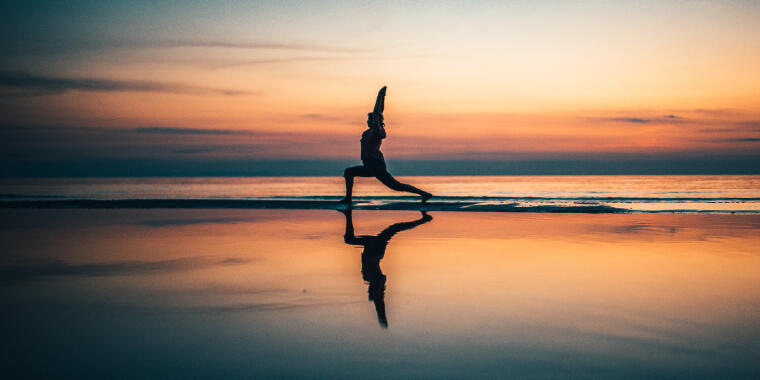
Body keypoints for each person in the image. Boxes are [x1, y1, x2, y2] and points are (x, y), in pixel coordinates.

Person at [341, 208, 432, 328]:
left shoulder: (370, 279)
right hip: (374, 251)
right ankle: (423, 220)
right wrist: (381, 314)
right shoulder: (375, 280)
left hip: (373, 250)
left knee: (393, 229)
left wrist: (380, 311)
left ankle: (348, 214)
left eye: (370, 293)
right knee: (393, 229)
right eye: (371, 293)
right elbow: (379, 300)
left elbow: (378, 299)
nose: (368, 293)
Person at [340, 86, 432, 204]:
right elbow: (377, 113)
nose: (367, 121)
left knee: (396, 186)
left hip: (376, 165)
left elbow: (377, 113)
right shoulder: (367, 132)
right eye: (368, 119)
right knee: (349, 172)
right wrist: (382, 97)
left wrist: (379, 97)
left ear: (375, 121)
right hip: (369, 166)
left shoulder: (376, 131)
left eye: (370, 119)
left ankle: (425, 194)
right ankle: (348, 199)